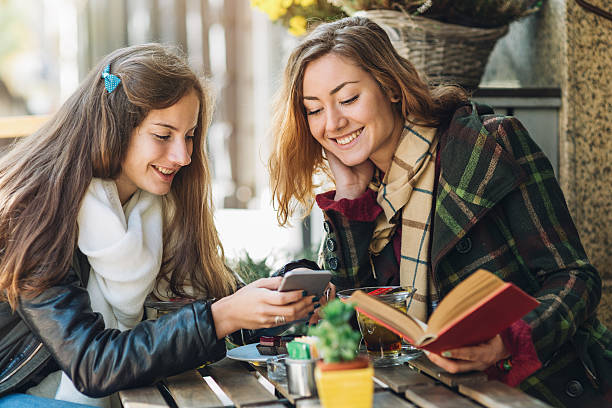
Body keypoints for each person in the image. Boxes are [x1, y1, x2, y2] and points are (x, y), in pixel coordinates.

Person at [268, 16, 612, 407]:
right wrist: (350, 198)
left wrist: (507, 341)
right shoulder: (364, 192)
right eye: (314, 110)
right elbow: (350, 317)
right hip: (428, 393)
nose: (332, 123)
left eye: (347, 99)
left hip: (539, 388)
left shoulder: (490, 144)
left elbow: (576, 278)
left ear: (392, 88)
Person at [0, 43, 316, 408]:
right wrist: (220, 316)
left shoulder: (151, 206)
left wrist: (285, 297)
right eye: (163, 136)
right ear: (114, 127)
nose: (182, 156)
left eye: (190, 136)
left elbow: (219, 306)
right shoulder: (37, 211)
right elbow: (93, 364)